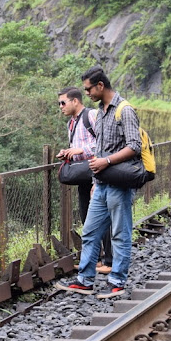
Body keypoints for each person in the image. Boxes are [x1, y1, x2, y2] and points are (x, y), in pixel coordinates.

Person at [56, 66, 141, 299]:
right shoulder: (101, 112)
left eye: (88, 89)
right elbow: (99, 147)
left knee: (120, 233)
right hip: (101, 184)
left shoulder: (124, 110)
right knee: (90, 232)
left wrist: (106, 161)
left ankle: (117, 282)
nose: (87, 93)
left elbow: (135, 146)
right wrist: (95, 179)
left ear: (100, 86)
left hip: (119, 182)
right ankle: (85, 280)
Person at [56, 87, 112, 274]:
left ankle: (110, 261)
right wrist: (68, 153)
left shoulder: (92, 116)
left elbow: (106, 144)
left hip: (98, 173)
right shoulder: (71, 124)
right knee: (86, 217)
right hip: (83, 175)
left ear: (75, 101)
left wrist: (82, 151)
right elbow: (77, 149)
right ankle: (93, 260)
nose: (61, 107)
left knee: (102, 217)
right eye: (59, 104)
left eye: (63, 102)